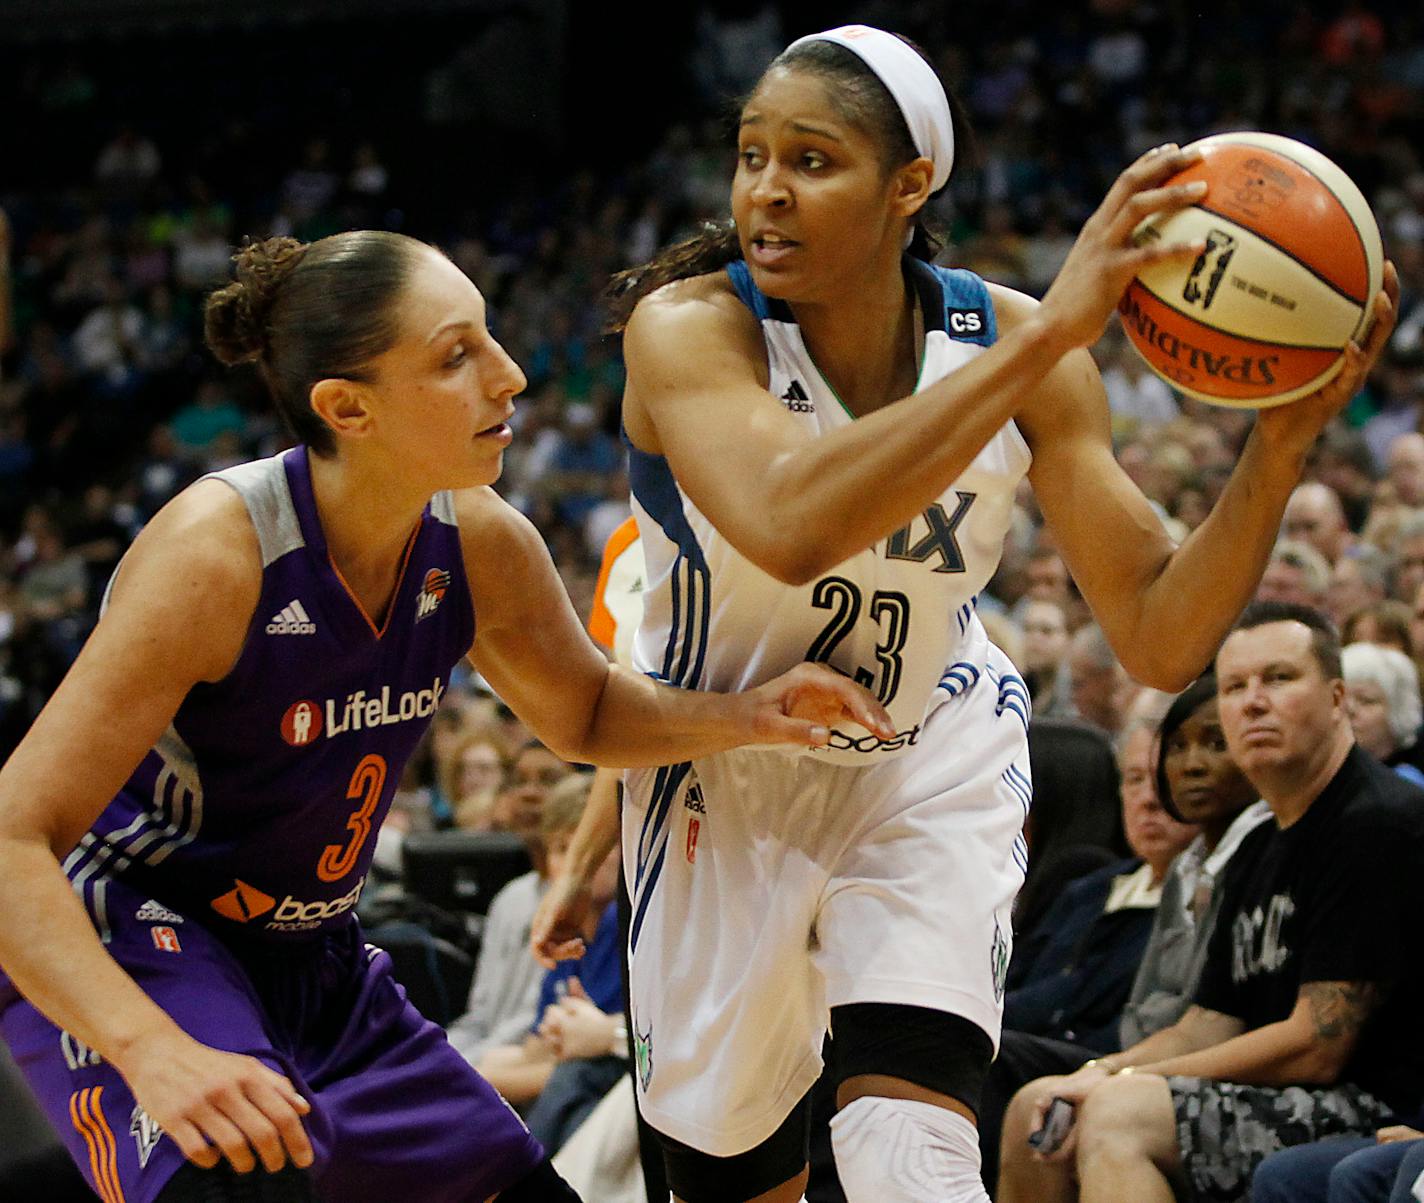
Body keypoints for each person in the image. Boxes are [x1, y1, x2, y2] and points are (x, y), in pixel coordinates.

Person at [600, 23, 1399, 1203]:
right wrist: (1054, 337)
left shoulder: (1020, 345)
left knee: (908, 1149)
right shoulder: (687, 330)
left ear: (908, 183)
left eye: (810, 161)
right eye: (750, 153)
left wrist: (1275, 452)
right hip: (727, 755)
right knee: (735, 1178)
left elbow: (1160, 636)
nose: (764, 188)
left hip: (926, 743)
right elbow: (786, 522)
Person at [0, 229, 895, 1203]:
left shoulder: (476, 541)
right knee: (245, 1167)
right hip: (149, 935)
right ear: (349, 408)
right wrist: (150, 1047)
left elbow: (585, 712)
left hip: (320, 957)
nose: (508, 376)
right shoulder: (217, 557)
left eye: (491, 339)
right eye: (455, 355)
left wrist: (746, 715)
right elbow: (12, 837)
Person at [997, 602, 1424, 1203]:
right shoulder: (1258, 841)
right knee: (1037, 1108)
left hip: (1373, 1104)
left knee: (1119, 1117)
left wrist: (1134, 1081)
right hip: (1291, 1094)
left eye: (1278, 678)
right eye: (1234, 686)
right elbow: (1206, 1022)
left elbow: (1317, 1045)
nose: (1252, 702)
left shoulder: (1373, 822)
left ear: (1336, 699)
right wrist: (1099, 1072)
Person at [978, 675, 1270, 1192]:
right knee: (1004, 1073)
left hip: (1191, 1064)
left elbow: (1214, 1023)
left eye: (1213, 746)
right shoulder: (1105, 884)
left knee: (1009, 1067)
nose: (1154, 796)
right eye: (1135, 780)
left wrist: (1115, 1071)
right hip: (1135, 1054)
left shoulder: (1251, 860)